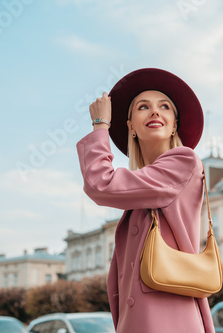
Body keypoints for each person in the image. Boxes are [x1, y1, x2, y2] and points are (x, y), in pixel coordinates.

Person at [76, 68, 215, 332]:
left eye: (165, 106)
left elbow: (101, 184)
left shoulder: (183, 161)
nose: (154, 111)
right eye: (143, 107)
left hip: (172, 320)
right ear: (130, 126)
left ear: (175, 124)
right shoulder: (141, 190)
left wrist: (100, 125)